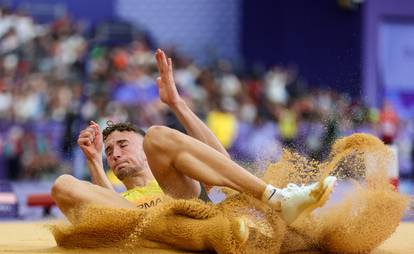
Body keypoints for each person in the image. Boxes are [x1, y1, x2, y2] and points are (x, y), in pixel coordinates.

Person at [51, 49, 336, 225]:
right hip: (145, 227)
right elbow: (106, 204)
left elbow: (220, 160)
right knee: (63, 184)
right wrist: (94, 162)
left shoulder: (178, 178)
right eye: (110, 151)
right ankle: (145, 226)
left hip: (190, 213)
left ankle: (275, 197)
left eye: (123, 144)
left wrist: (177, 103)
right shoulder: (122, 197)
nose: (114, 154)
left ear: (145, 153)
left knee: (159, 135)